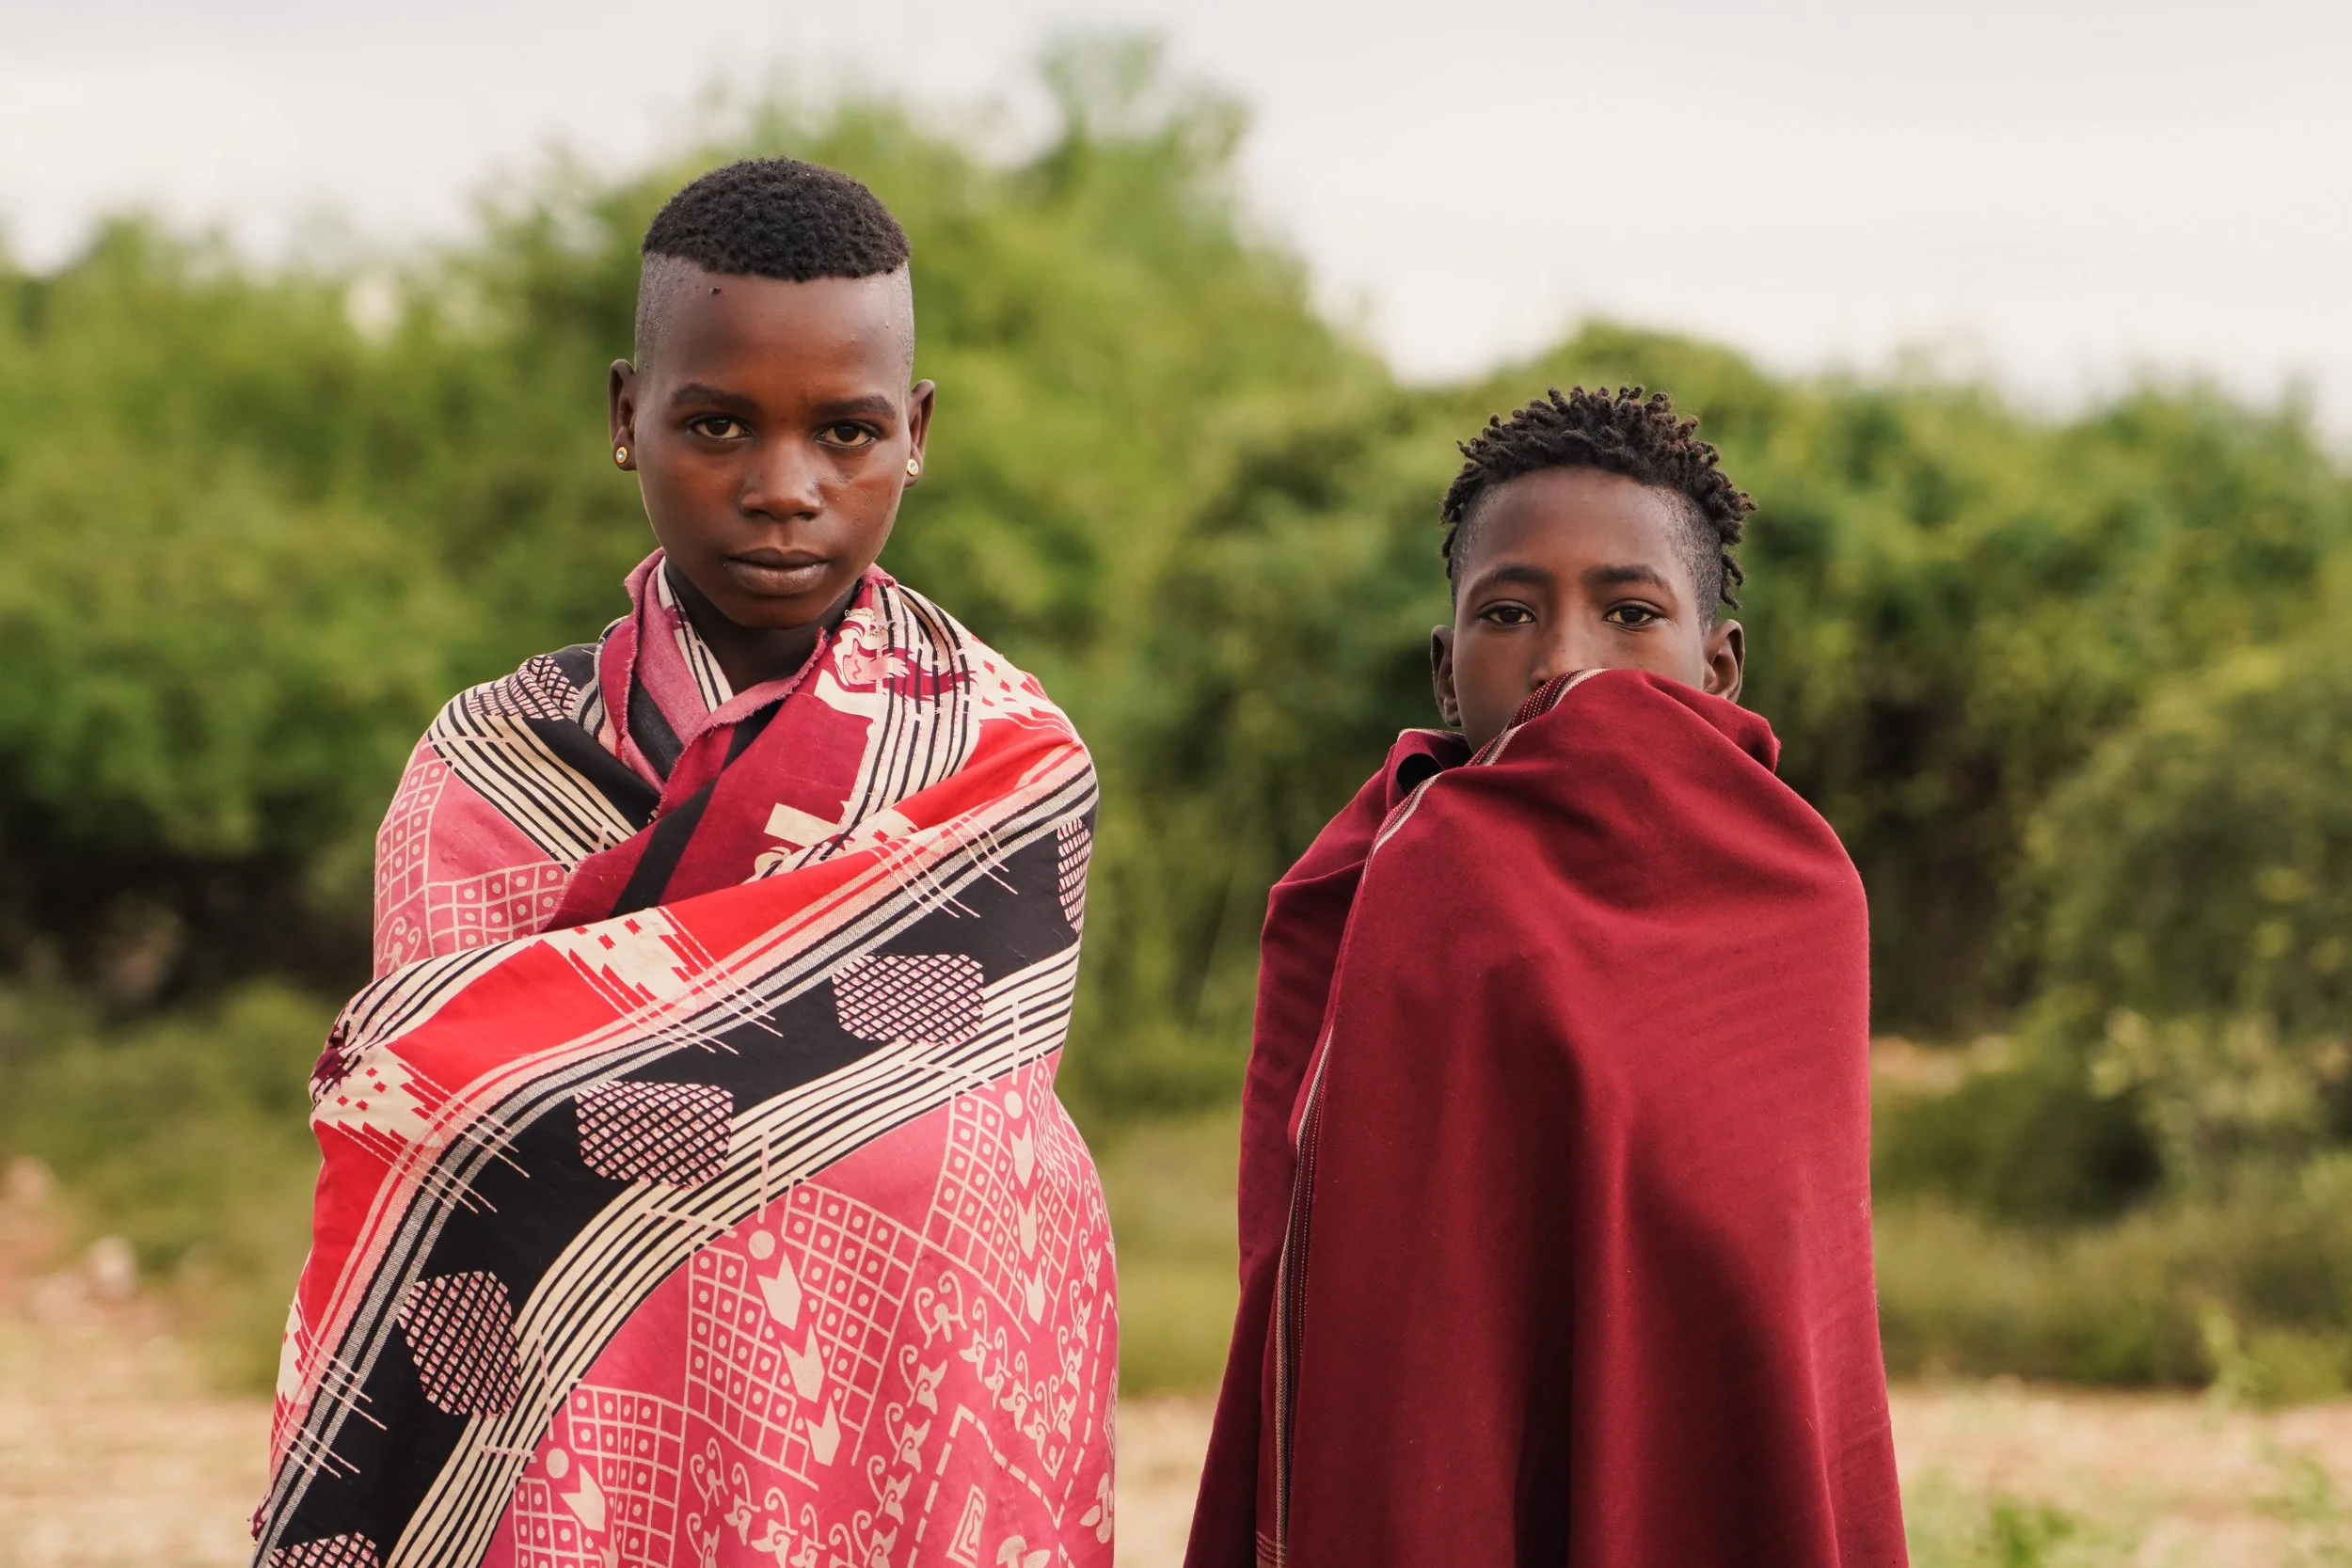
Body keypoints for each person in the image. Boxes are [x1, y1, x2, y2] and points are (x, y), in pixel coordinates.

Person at [255, 160, 1117, 1568]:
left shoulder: (1009, 764)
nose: (785, 489)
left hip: (904, 1408)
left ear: (917, 433)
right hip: (579, 1455)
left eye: (845, 431)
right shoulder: (488, 769)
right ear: (623, 416)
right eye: (717, 423)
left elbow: (997, 1164)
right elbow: (440, 1138)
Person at [1184, 388, 1906, 1567]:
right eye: (1509, 613)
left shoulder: (1798, 895)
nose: (1565, 662)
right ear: (1443, 663)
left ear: (1718, 665)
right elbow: (1365, 1283)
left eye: (1630, 612)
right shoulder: (1394, 879)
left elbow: (1773, 1290)